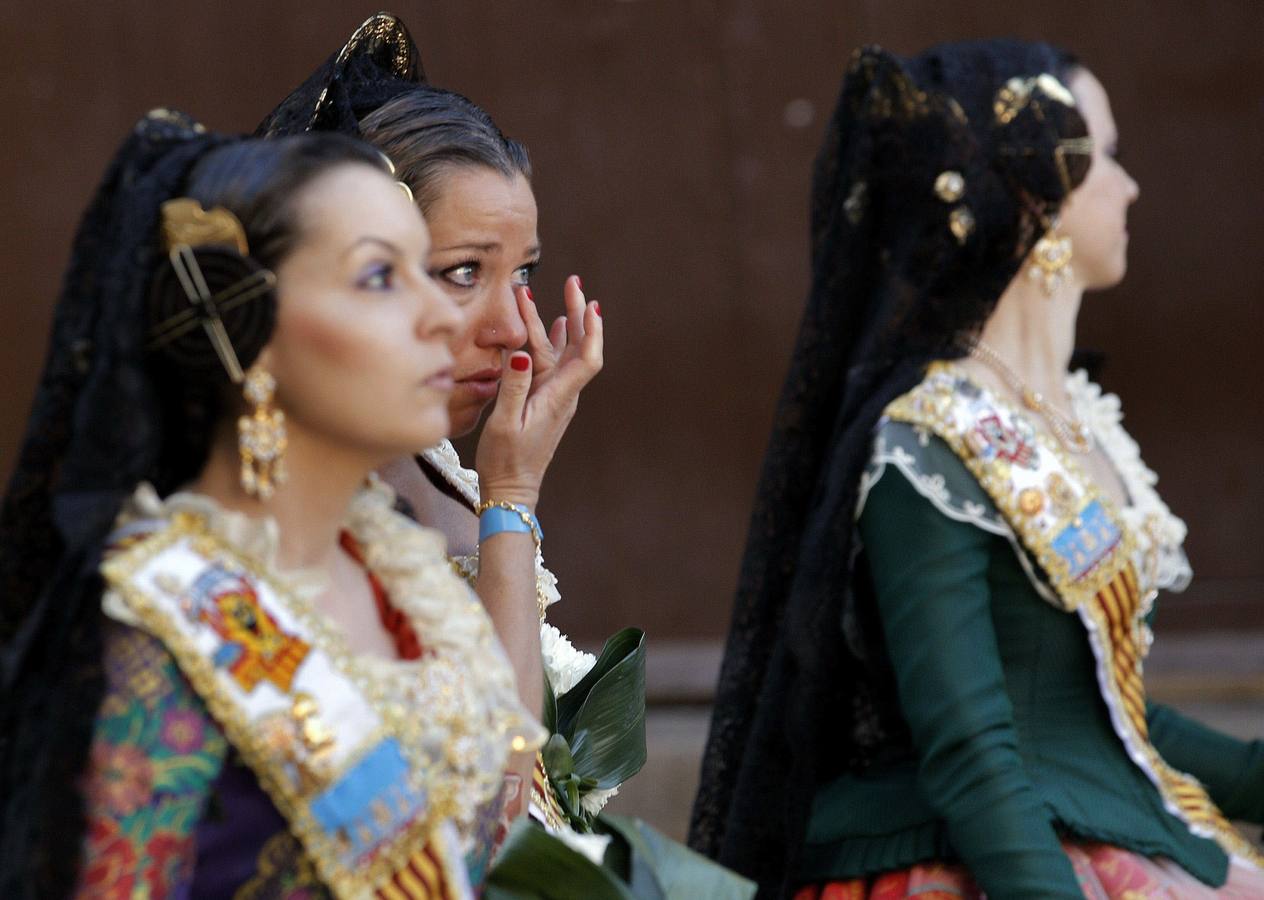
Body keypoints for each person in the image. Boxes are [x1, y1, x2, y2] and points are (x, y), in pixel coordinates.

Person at [690, 40, 1264, 898]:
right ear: (1038, 194)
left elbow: (1106, 720)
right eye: (1105, 155)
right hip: (1003, 860)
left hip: (1092, 817)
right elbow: (973, 752)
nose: (1130, 185)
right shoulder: (930, 442)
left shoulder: (1065, 415)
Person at [0, 112, 554, 897]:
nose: (439, 317)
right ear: (243, 325)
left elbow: (499, 836)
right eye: (379, 277)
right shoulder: (154, 627)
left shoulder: (398, 572)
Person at [256, 14, 615, 831]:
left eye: (522, 273)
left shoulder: (438, 463)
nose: (511, 325)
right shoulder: (279, 503)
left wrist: (508, 493)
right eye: (462, 273)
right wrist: (512, 493)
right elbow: (494, 796)